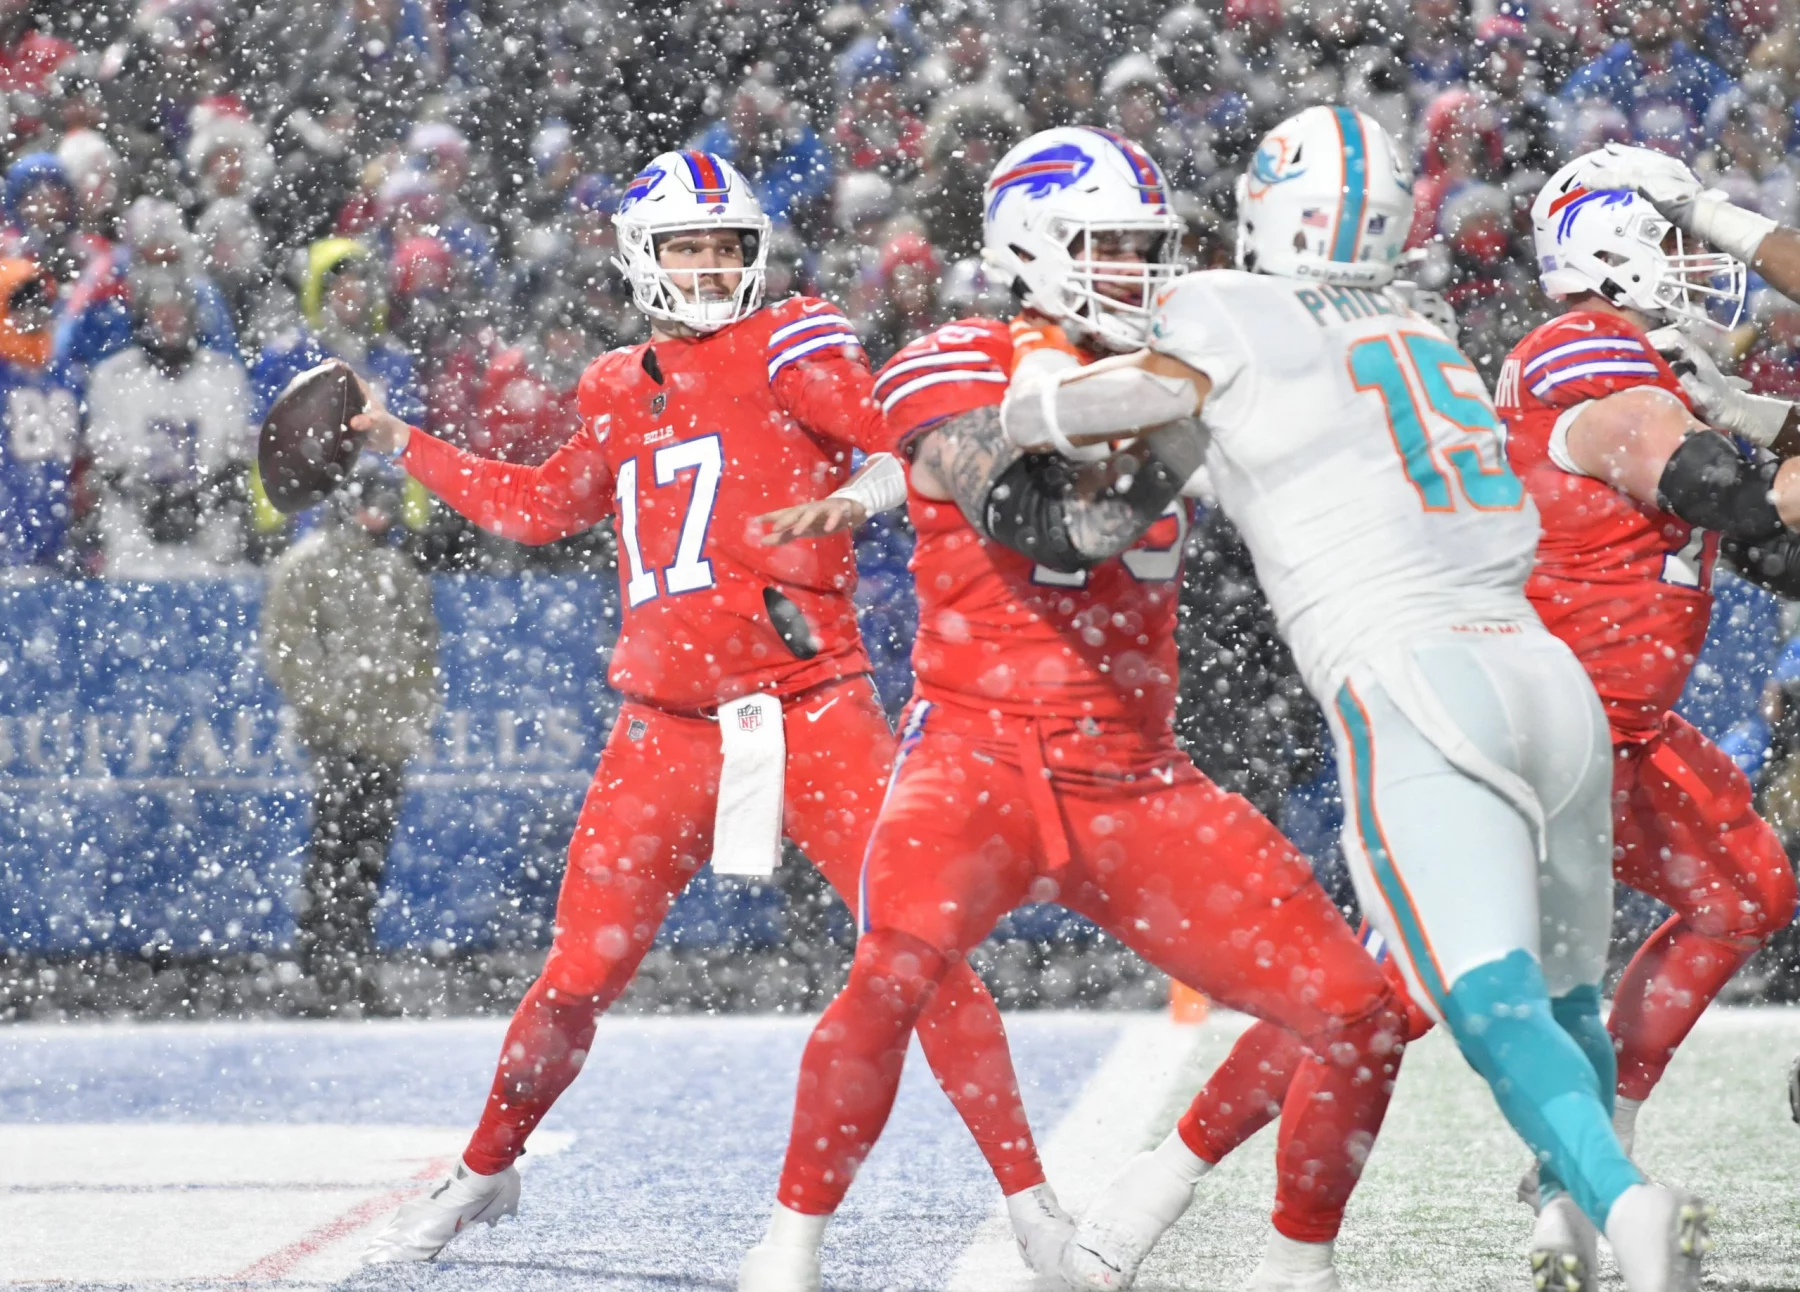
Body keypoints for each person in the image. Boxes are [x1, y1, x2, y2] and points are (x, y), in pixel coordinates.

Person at [1005, 109, 1714, 1292]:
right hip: (1549, 677)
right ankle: (1574, 1216)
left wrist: (1030, 380)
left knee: (1465, 1000)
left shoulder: (1230, 310)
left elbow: (1095, 430)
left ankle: (1623, 1209)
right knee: (1560, 992)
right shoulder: (1418, 318)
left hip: (1418, 681)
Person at [349, 151, 1066, 1273]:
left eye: (728, 245)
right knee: (577, 977)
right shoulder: (610, 385)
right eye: (688, 246)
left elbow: (895, 437)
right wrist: (405, 444)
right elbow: (541, 507)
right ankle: (485, 1171)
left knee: (922, 949)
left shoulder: (790, 336)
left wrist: (876, 486)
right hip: (667, 724)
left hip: (812, 701)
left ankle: (1033, 1203)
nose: (711, 265)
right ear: (642, 254)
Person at [739, 126, 1404, 1292]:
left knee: (1355, 1008)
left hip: (1135, 772)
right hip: (975, 756)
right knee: (891, 972)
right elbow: (1038, 516)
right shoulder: (952, 359)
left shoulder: (1176, 364)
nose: (1142, 274)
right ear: (1030, 246)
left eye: (1153, 250)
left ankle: (1293, 1264)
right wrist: (1190, 417)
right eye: (1110, 246)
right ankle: (787, 1249)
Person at [260, 467, 440, 1014]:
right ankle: (321, 968)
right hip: (337, 739)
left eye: (386, 506)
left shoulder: (398, 571)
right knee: (333, 851)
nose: (378, 517)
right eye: (371, 504)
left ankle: (351, 963)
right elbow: (288, 651)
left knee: (366, 856)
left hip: (383, 740)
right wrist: (339, 715)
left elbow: (421, 655)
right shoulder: (308, 566)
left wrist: (404, 718)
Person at [82, 264, 256, 579]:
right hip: (134, 533)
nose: (170, 322)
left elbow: (234, 459)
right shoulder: (116, 377)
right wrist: (152, 502)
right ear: (143, 318)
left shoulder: (223, 375)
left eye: (178, 312)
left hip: (209, 529)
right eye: (161, 312)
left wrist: (198, 502)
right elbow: (108, 460)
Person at [0, 258, 76, 578]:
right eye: (20, 305)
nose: (32, 316)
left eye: (40, 305)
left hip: (55, 550)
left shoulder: (67, 375)